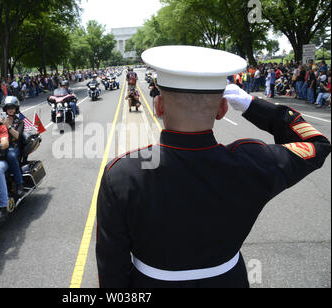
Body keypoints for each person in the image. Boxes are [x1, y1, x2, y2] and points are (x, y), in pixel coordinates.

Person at [96, 45, 331, 288]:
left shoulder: (122, 174)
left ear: (159, 107)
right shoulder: (253, 162)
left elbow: (111, 267)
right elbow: (316, 143)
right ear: (222, 109)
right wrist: (253, 105)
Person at [1, 96, 25, 197]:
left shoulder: (20, 121)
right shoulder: (1, 121)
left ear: (16, 109)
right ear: (5, 109)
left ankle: (19, 184)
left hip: (14, 147)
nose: (10, 110)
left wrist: (8, 126)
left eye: (13, 107)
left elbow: (17, 136)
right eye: (8, 108)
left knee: (10, 156)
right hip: (1, 145)